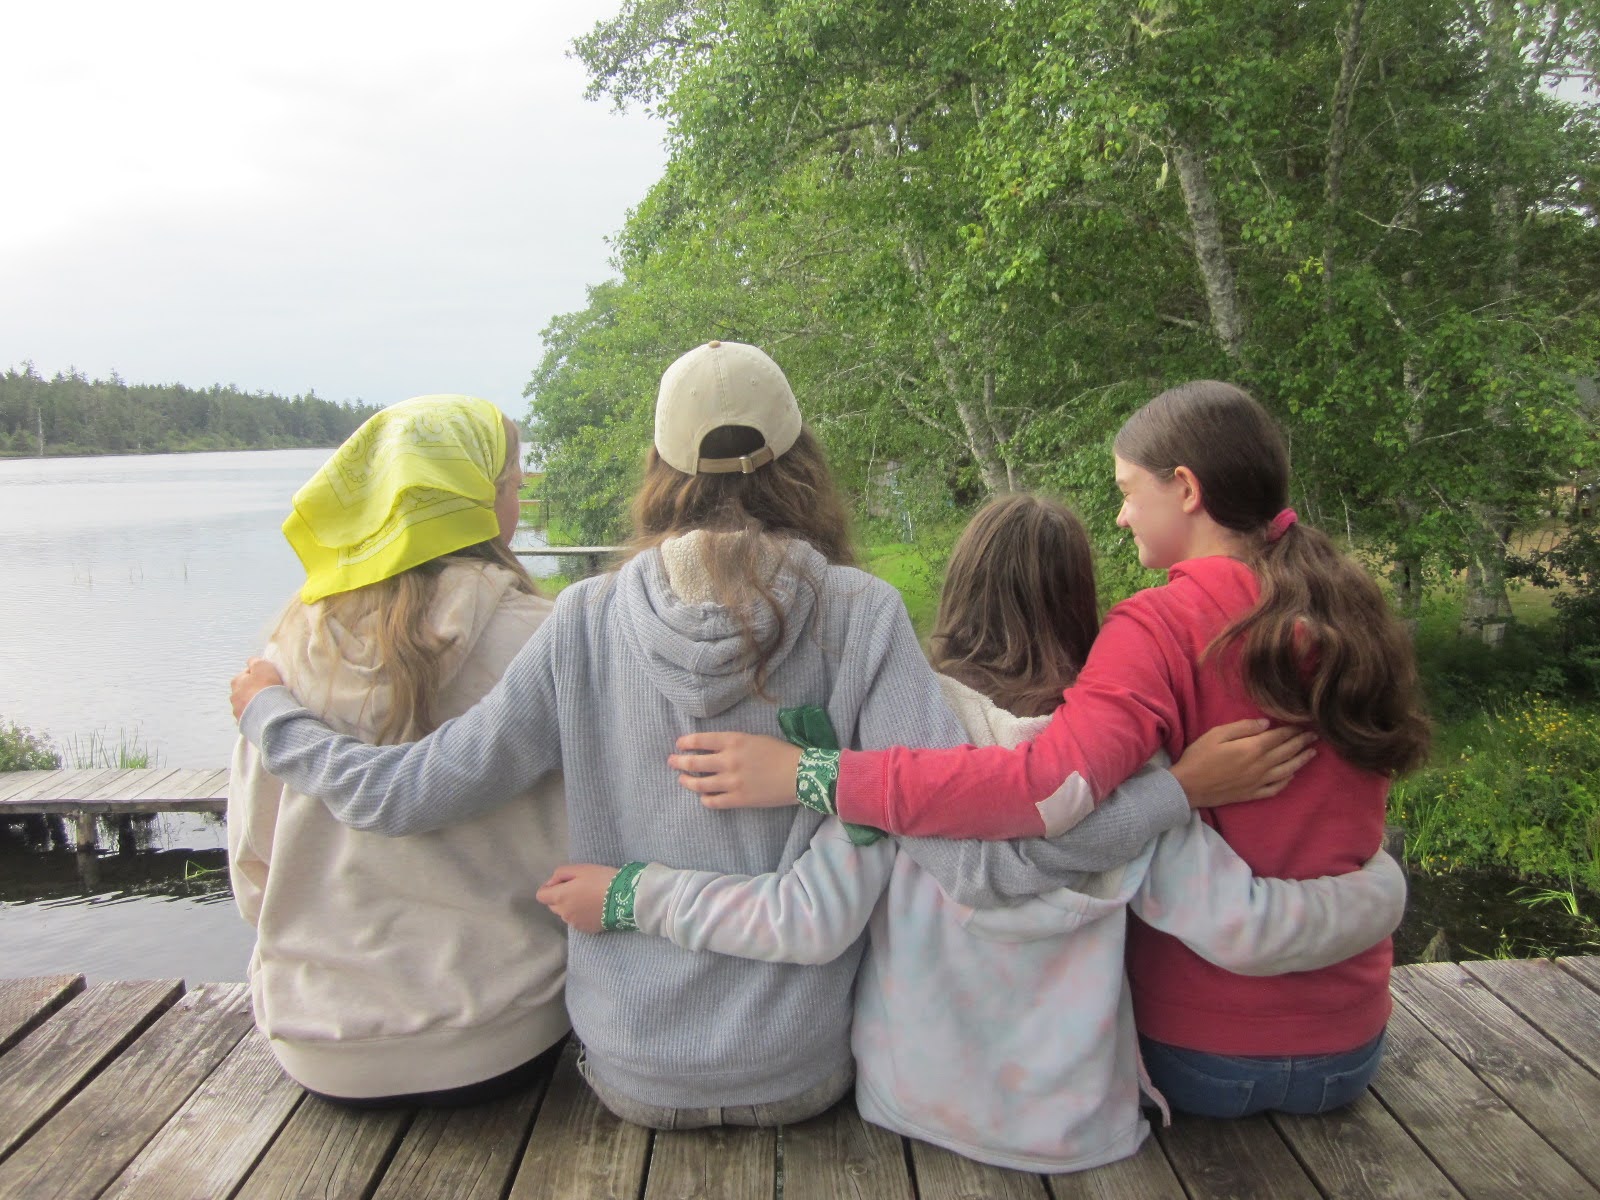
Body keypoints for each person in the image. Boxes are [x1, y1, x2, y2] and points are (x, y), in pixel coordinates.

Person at [227, 344, 1296, 1129]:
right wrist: (1173, 790)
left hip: (629, 1072)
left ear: (659, 466)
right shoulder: (860, 615)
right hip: (800, 1070)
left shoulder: (585, 621)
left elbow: (405, 795)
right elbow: (987, 861)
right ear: (799, 458)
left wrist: (273, 712)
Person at [536, 491, 1406, 1171]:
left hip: (906, 1098)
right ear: (1079, 601)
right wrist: (1379, 884)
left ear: (959, 589)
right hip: (1074, 1125)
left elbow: (810, 914)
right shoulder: (1127, 763)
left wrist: (635, 893)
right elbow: (1221, 917)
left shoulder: (905, 740)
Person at [663, 382, 1432, 1119]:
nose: (1122, 517)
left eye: (1128, 491)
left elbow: (1043, 792)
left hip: (1201, 1055)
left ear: (1186, 489)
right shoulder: (1349, 608)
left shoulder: (1159, 627)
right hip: (1350, 1048)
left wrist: (815, 774)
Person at [227, 395, 569, 1107]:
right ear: (482, 503)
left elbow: (253, 862)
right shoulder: (547, 642)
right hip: (506, 1028)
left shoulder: (285, 657)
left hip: (318, 1042)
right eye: (511, 484)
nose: (518, 498)